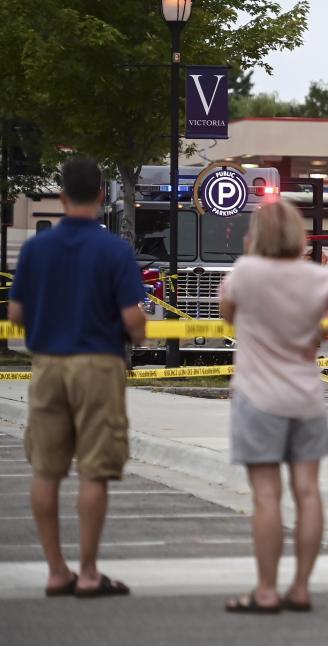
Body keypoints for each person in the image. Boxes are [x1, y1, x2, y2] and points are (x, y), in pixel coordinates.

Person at [219, 198, 328, 613]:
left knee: (266, 496)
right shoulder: (317, 278)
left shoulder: (243, 274)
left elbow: (227, 315)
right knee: (308, 492)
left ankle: (266, 591)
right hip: (306, 397)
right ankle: (301, 588)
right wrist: (325, 330)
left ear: (258, 235)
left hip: (257, 398)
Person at [10, 156, 146, 597]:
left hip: (48, 363)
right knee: (94, 470)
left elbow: (15, 313)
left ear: (63, 196)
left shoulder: (35, 248)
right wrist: (139, 335)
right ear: (102, 196)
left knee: (46, 470)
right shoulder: (115, 250)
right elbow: (132, 318)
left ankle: (56, 570)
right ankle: (88, 573)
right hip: (99, 364)